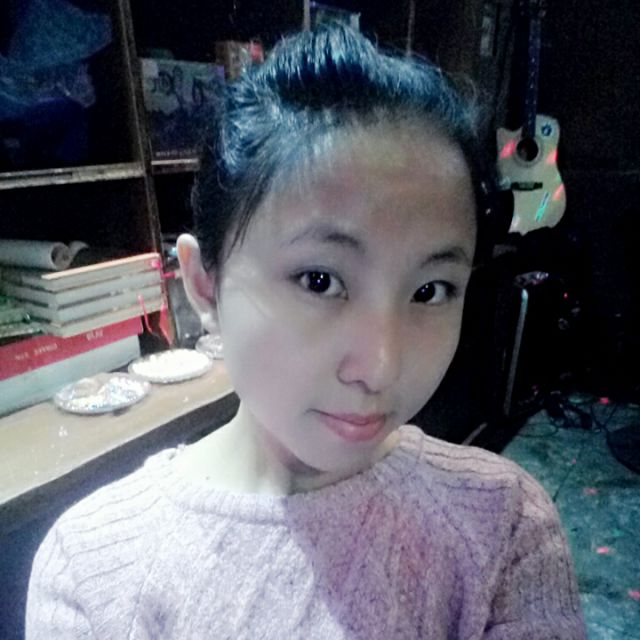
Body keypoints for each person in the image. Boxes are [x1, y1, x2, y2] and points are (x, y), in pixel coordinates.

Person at [26, 25, 586, 639]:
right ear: (204, 283)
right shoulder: (93, 569)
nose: (381, 366)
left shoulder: (503, 526)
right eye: (320, 280)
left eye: (430, 291)